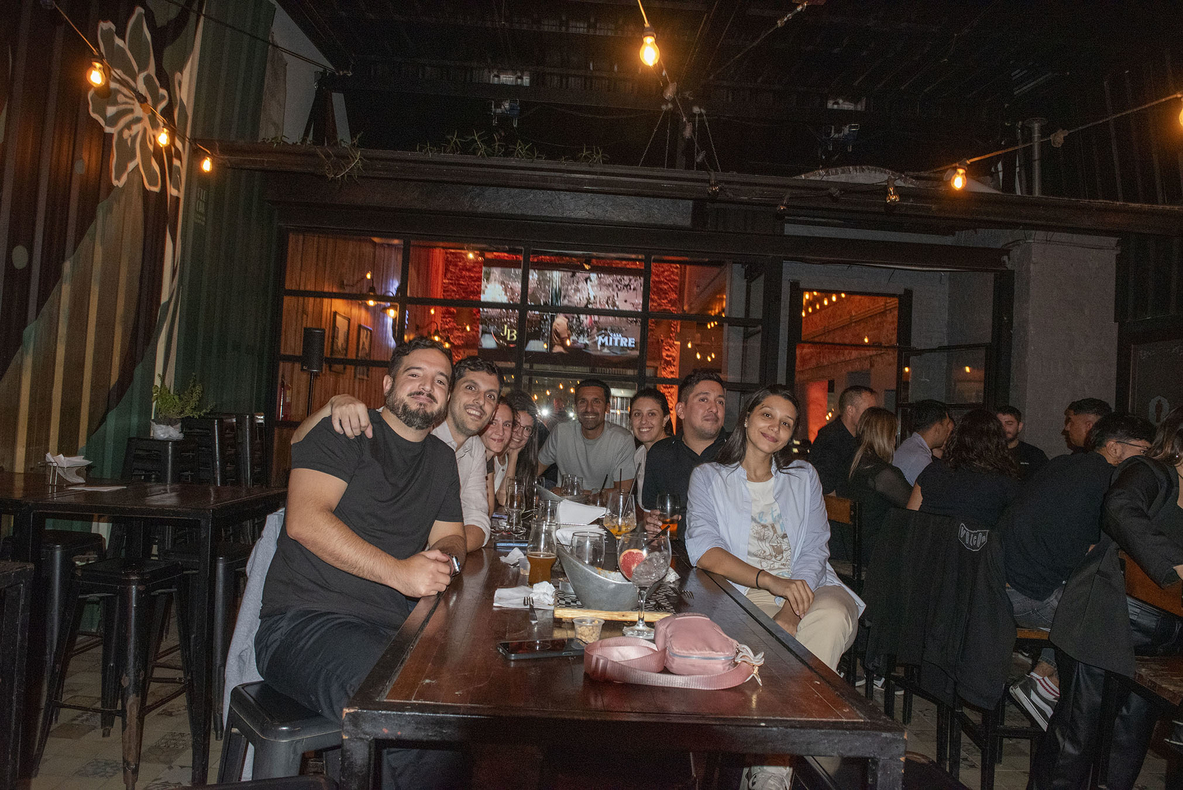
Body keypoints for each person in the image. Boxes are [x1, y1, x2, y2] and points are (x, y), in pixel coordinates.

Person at [256, 337, 469, 788]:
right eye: (415, 374)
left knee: (461, 703)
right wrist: (400, 573)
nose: (427, 386)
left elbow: (451, 535)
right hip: (304, 623)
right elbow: (304, 521)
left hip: (391, 630)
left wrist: (446, 559)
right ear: (388, 384)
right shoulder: (346, 429)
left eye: (440, 380)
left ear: (447, 397)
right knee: (416, 720)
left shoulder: (441, 459)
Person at [686, 384, 863, 790]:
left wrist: (790, 606)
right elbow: (704, 550)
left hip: (810, 583)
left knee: (832, 616)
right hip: (743, 591)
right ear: (747, 417)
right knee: (771, 641)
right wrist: (770, 581)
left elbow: (815, 547)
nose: (775, 427)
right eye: (767, 415)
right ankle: (790, 751)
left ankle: (774, 759)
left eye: (786, 423)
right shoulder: (710, 477)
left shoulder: (803, 476)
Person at [1029, 407, 1183, 790]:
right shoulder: (1149, 471)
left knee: (1128, 742)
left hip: (1165, 638)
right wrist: (1177, 563)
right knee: (1076, 738)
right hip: (1107, 614)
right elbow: (1119, 508)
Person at [998, 413, 1155, 729]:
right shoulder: (1109, 483)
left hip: (1001, 583)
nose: (1148, 462)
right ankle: (1083, 717)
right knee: (1120, 620)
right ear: (1114, 448)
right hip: (1026, 596)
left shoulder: (1063, 464)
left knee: (1090, 596)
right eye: (1144, 452)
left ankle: (1043, 681)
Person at [295, 355, 503, 552]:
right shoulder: (406, 427)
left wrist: (444, 554)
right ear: (450, 394)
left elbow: (477, 518)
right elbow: (299, 443)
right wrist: (334, 404)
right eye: (470, 388)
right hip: (343, 557)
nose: (480, 400)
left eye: (490, 396)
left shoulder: (472, 448)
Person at [642, 370, 728, 534]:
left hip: (727, 548)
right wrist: (651, 523)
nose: (714, 408)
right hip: (674, 546)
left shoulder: (738, 453)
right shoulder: (660, 453)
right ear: (681, 410)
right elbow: (649, 514)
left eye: (720, 402)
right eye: (703, 399)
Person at [907, 408, 1021, 528]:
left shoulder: (932, 471)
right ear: (997, 442)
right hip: (974, 540)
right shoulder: (1004, 482)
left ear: (957, 438)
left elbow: (910, 518)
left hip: (931, 538)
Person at [838, 407, 912, 565]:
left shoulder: (849, 466)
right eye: (894, 435)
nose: (895, 441)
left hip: (849, 551)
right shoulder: (882, 474)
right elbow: (915, 506)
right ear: (886, 437)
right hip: (876, 556)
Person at [537, 378, 635, 493]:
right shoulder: (561, 432)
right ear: (575, 407)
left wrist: (572, 493)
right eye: (583, 402)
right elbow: (534, 469)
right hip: (563, 504)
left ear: (607, 407)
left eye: (596, 402)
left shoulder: (622, 439)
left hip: (600, 506)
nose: (589, 408)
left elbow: (623, 492)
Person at [809, 385, 877, 495]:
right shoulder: (832, 438)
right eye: (868, 410)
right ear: (850, 410)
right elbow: (825, 486)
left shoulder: (860, 437)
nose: (873, 416)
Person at [893, 399, 954, 485]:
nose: (948, 430)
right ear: (938, 428)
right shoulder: (920, 458)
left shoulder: (911, 446)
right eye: (946, 425)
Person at [628, 387, 671, 507]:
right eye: (637, 414)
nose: (643, 421)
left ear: (665, 419)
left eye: (651, 414)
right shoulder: (640, 454)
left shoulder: (676, 455)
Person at [496, 389, 539, 507]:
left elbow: (509, 502)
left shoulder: (514, 460)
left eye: (527, 429)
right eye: (515, 425)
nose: (520, 434)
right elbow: (504, 500)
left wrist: (514, 456)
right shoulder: (488, 454)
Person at [480, 397, 514, 515]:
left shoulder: (487, 459)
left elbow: (487, 511)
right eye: (493, 423)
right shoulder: (465, 457)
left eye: (507, 425)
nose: (500, 432)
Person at [996, 405, 1049, 480]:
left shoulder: (1034, 455)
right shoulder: (987, 453)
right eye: (999, 424)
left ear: (1019, 426)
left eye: (1009, 424)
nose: (1003, 428)